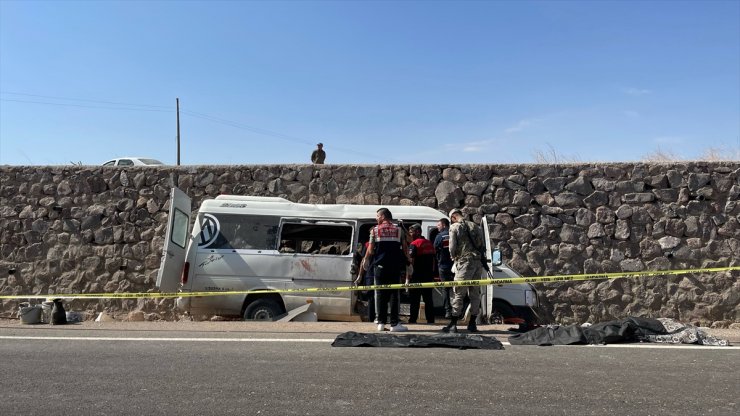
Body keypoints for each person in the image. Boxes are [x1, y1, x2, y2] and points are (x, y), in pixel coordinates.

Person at [362, 208, 410, 332]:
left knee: (380, 294)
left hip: (379, 267)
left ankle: (381, 323)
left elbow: (371, 250)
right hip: (394, 267)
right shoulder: (399, 230)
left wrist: (366, 260)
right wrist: (409, 263)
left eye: (377, 216)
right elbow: (405, 248)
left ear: (383, 216)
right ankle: (394, 324)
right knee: (394, 294)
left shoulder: (375, 230)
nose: (376, 218)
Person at [442, 208, 484, 333]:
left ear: (453, 217)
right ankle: (472, 324)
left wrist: (453, 256)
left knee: (458, 292)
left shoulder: (455, 227)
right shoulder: (475, 226)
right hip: (477, 262)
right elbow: (481, 244)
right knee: (474, 293)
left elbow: (452, 246)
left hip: (464, 262)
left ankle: (453, 324)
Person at [406, 224, 436, 324]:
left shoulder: (414, 244)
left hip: (417, 276)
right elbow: (433, 261)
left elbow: (411, 260)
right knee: (428, 300)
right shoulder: (429, 243)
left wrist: (408, 276)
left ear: (418, 232)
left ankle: (412, 319)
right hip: (428, 276)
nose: (410, 234)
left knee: (414, 300)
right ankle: (430, 320)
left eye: (411, 232)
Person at [433, 218, 454, 319]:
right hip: (455, 266)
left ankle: (448, 311)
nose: (437, 227)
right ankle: (457, 310)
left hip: (443, 267)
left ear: (444, 225)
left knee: (445, 289)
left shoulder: (440, 236)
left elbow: (435, 249)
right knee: (457, 288)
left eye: (438, 225)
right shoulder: (454, 235)